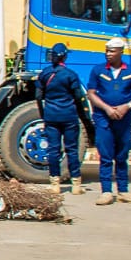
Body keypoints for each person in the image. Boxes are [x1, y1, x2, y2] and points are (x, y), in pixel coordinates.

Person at [86, 36, 131, 205]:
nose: (108, 54)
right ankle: (106, 191)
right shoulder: (98, 70)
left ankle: (123, 191)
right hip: (103, 117)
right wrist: (107, 108)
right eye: (107, 50)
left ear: (121, 52)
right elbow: (91, 93)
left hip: (123, 118)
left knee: (122, 155)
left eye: (112, 51)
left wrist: (126, 106)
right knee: (105, 155)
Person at [36, 42, 88, 195]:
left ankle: (55, 184)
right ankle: (76, 184)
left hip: (51, 116)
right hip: (69, 116)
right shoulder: (71, 75)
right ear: (64, 56)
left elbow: (38, 96)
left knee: (53, 150)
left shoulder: (44, 74)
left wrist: (43, 114)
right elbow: (79, 97)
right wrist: (81, 114)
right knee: (71, 149)